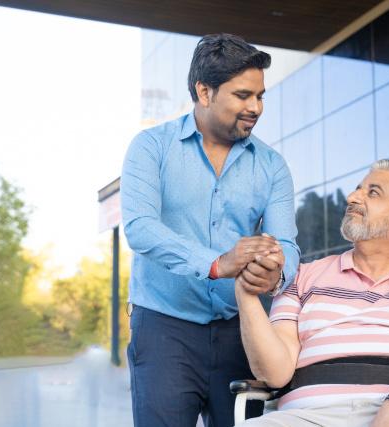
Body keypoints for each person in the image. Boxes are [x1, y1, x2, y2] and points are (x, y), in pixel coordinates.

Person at [121, 33, 300, 427]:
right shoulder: (151, 147)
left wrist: (277, 269)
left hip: (242, 332)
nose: (255, 107)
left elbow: (286, 241)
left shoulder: (271, 166)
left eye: (260, 96)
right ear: (204, 91)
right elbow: (139, 227)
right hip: (164, 327)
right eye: (242, 95)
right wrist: (217, 263)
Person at [235, 159, 389, 427]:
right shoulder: (302, 277)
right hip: (309, 416)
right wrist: (245, 292)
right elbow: (275, 373)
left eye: (372, 192)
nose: (352, 197)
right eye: (357, 189)